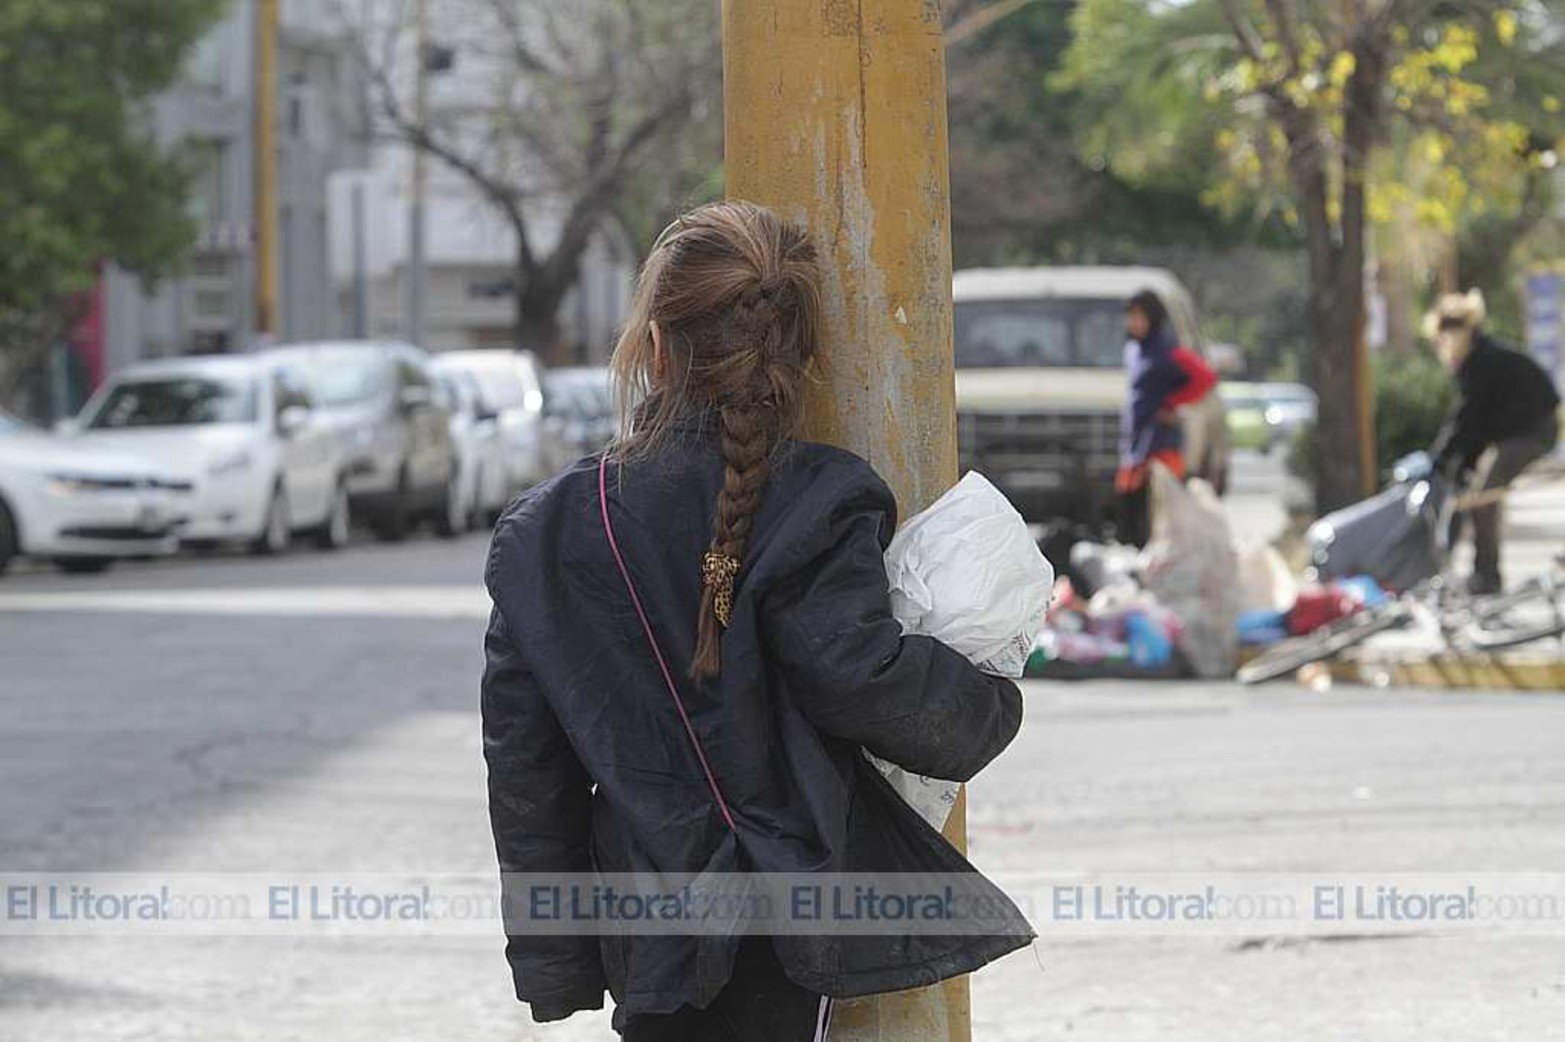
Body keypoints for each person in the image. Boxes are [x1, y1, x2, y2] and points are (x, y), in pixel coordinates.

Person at [481, 201, 1031, 1040]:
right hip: (779, 921)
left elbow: (527, 775)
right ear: (793, 353)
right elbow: (860, 678)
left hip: (644, 926)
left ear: (655, 347)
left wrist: (556, 960)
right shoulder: (819, 497)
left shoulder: (544, 531)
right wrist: (991, 695)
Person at [1426, 289, 1560, 594]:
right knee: (1479, 494)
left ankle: (1487, 576)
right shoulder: (1478, 361)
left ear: (1462, 331)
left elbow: (1469, 420)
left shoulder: (1483, 361)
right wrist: (1453, 462)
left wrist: (1444, 457)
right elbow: (1475, 424)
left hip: (1531, 432)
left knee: (1483, 497)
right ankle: (1485, 572)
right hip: (1516, 431)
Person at [1115, 289, 1217, 546]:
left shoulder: (1167, 351)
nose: (1134, 323)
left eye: (1140, 317)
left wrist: (1172, 402)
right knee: (1133, 511)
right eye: (1131, 317)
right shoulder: (1134, 350)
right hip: (1138, 441)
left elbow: (1205, 377)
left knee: (1164, 513)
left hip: (1161, 444)